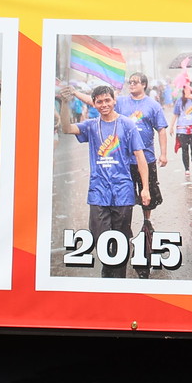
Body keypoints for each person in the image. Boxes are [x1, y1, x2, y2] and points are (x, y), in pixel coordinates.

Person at [58, 82, 149, 279]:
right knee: (100, 238)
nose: (104, 104)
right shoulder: (91, 125)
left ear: (114, 101)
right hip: (98, 191)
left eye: (107, 100)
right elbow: (66, 128)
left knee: (121, 240)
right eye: (99, 102)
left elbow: (140, 157)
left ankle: (117, 282)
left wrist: (145, 188)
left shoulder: (127, 124)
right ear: (94, 104)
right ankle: (109, 275)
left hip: (123, 191)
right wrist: (65, 104)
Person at [112, 72, 169, 244]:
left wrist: (164, 153)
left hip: (146, 158)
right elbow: (100, 103)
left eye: (135, 82)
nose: (132, 85)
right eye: (130, 82)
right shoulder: (120, 102)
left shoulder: (152, 105)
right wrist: (76, 94)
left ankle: (146, 221)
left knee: (147, 192)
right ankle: (125, 226)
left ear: (144, 84)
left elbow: (161, 129)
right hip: (124, 158)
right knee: (126, 194)